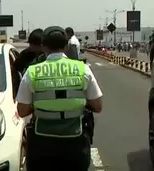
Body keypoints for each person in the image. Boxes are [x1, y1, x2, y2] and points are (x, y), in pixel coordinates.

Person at [16, 26, 103, 171]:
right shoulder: (82, 69)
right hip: (75, 141)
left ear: (43, 47)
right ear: (67, 45)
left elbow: (22, 110)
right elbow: (98, 106)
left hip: (42, 143)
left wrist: (39, 105)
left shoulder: (32, 72)